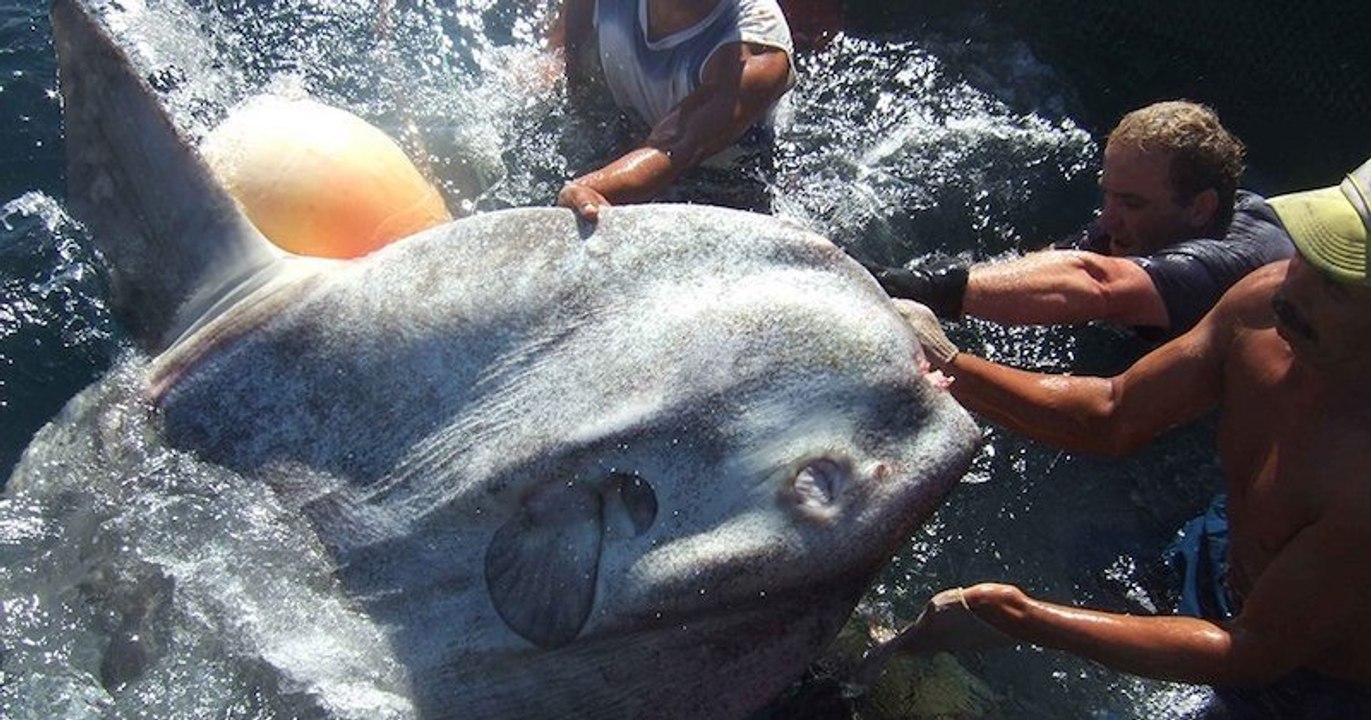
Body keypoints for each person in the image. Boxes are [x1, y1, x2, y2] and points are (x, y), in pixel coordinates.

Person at [884, 157, 1371, 717]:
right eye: (1309, 253)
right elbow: (1115, 412)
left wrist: (1023, 618)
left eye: (1335, 282)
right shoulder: (1263, 302)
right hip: (1219, 551)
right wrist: (948, 363)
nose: (1294, 288)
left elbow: (1254, 651)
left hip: (1311, 684)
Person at [865, 100, 1295, 342]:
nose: (1108, 218)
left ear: (1200, 208)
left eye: (1131, 202)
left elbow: (1099, 285)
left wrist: (918, 286)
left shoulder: (1240, 261)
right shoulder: (1139, 226)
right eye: (1107, 193)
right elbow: (1056, 265)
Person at [548, 0, 796, 221]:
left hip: (726, 196)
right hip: (628, 144)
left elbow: (672, 147)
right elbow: (571, 71)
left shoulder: (757, 49)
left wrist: (589, 187)